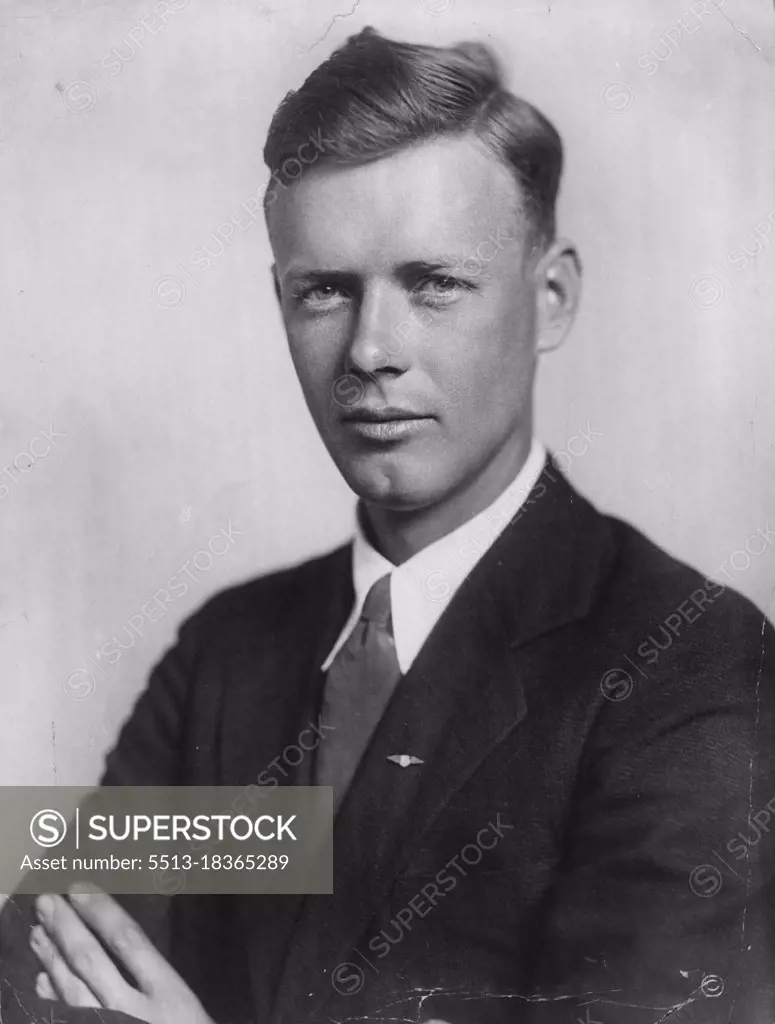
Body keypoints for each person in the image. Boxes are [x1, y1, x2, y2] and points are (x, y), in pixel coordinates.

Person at [2, 26, 774, 1024]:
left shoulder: (696, 665)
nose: (369, 349)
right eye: (323, 290)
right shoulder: (225, 652)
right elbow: (36, 965)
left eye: (434, 284)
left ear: (550, 297)